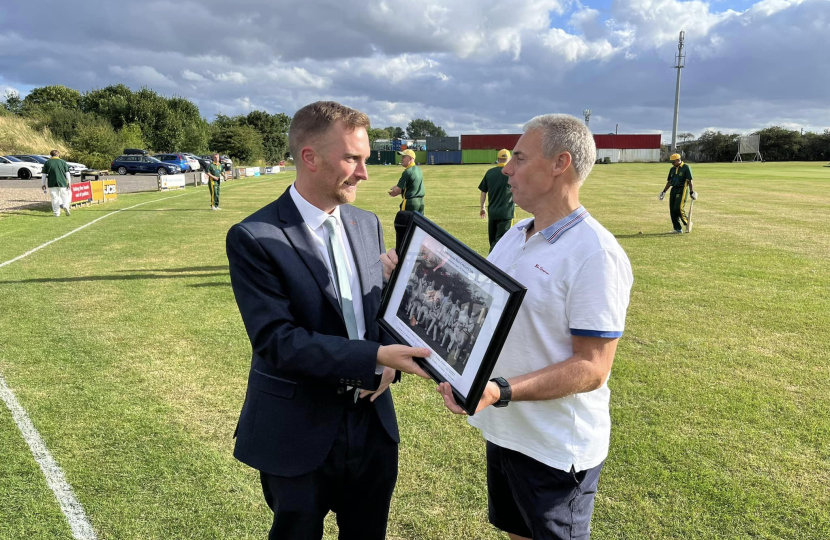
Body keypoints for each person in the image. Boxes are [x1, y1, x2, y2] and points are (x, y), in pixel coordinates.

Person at [382, 114, 634, 540]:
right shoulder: (516, 235)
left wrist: (500, 390)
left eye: (518, 157)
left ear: (560, 164)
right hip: (506, 429)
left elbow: (592, 367)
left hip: (554, 446)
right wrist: (409, 279)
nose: (506, 168)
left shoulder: (596, 253)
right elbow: (476, 314)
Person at [226, 101, 430, 540]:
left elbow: (372, 314)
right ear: (310, 157)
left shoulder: (366, 222)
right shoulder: (254, 236)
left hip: (372, 422)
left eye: (365, 159)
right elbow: (276, 341)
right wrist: (375, 355)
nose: (364, 173)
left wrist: (391, 341)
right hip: (297, 428)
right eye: (352, 159)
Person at [479, 149, 515, 251]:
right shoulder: (511, 173)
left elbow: (483, 192)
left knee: (493, 241)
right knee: (502, 243)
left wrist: (482, 207)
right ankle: (492, 263)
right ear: (509, 159)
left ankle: (491, 261)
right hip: (506, 213)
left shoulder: (490, 173)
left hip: (493, 212)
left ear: (498, 159)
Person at [659, 153, 697, 233]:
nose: (672, 164)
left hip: (682, 189)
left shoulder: (686, 167)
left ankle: (688, 222)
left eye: (673, 162)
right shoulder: (672, 169)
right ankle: (677, 229)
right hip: (674, 189)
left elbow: (690, 181)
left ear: (678, 160)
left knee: (678, 208)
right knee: (672, 210)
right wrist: (664, 192)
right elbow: (669, 182)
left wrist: (692, 192)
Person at [388, 149, 425, 214]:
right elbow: (412, 187)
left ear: (410, 159)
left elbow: (398, 189)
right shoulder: (419, 170)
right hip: (421, 201)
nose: (401, 159)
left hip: (410, 202)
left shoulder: (408, 172)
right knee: (419, 223)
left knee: (405, 222)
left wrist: (394, 188)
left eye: (404, 157)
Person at [40, 149, 72, 217]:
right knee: (65, 196)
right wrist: (69, 182)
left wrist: (43, 184)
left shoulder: (47, 162)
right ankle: (66, 206)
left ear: (51, 155)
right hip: (62, 182)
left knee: (54, 198)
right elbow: (67, 173)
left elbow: (44, 174)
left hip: (52, 183)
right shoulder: (63, 162)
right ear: (58, 154)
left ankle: (56, 213)